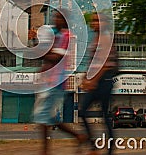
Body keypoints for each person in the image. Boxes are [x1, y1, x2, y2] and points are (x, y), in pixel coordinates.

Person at [33, 9, 86, 155]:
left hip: (55, 81)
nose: (56, 20)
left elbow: (55, 57)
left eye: (59, 18)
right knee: (47, 118)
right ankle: (78, 136)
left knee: (43, 117)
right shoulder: (54, 35)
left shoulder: (66, 37)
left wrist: (42, 52)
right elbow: (44, 53)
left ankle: (45, 150)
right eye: (55, 17)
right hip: (47, 80)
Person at [79, 12, 119, 155]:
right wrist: (85, 78)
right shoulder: (95, 38)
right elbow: (92, 62)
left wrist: (93, 81)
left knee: (104, 115)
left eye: (97, 20)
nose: (94, 23)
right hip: (96, 80)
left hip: (104, 81)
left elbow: (105, 64)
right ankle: (93, 146)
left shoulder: (106, 38)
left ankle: (109, 149)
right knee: (83, 111)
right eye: (93, 20)